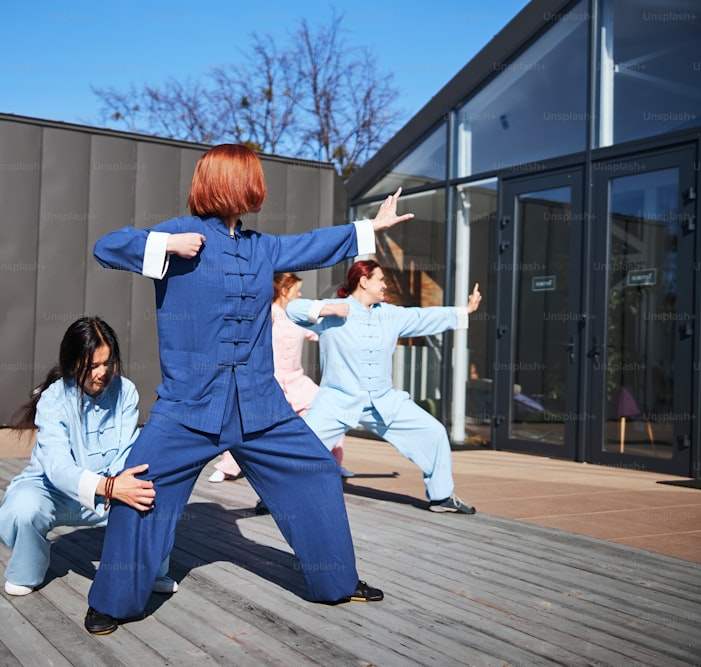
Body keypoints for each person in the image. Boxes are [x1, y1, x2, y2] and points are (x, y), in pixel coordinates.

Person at [83, 144, 412, 635]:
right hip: (189, 407)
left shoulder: (262, 248)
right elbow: (107, 246)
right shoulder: (178, 234)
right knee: (140, 487)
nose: (259, 186)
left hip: (262, 407)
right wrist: (166, 247)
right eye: (252, 177)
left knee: (318, 473)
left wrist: (370, 229)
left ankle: (336, 582)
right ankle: (112, 600)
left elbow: (312, 244)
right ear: (232, 182)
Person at [0, 316, 178, 597]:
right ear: (72, 363)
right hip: (54, 491)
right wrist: (108, 487)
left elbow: (127, 451)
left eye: (107, 362)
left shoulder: (125, 392)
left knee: (153, 494)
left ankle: (147, 571)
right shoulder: (53, 399)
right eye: (92, 366)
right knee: (24, 507)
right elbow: (57, 467)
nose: (101, 372)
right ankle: (27, 569)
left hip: (109, 490)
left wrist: (120, 486)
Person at [286, 260, 483, 514]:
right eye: (381, 279)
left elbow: (423, 316)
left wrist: (463, 311)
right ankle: (275, 496)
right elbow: (292, 309)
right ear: (364, 281)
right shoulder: (333, 313)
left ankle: (441, 496)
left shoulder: (391, 314)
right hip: (337, 401)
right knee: (303, 449)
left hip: (383, 401)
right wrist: (329, 309)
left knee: (433, 432)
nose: (385, 285)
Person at [210, 272, 351, 488]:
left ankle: (332, 463)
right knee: (246, 423)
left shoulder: (300, 319)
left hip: (297, 382)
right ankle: (227, 467)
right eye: (297, 291)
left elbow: (320, 333)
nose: (301, 294)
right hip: (268, 383)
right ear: (284, 292)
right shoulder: (266, 314)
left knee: (331, 410)